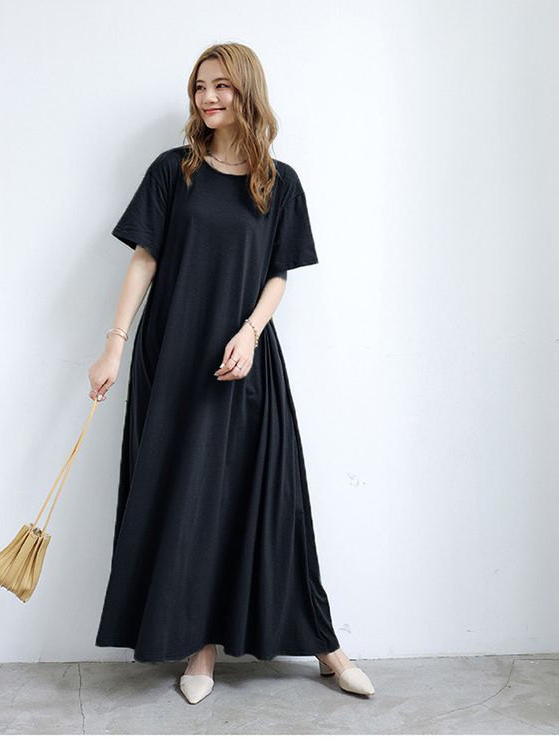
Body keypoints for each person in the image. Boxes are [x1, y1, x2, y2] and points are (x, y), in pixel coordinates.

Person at [88, 42, 375, 704]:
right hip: (173, 358)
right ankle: (200, 646)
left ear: (247, 91)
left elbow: (277, 274)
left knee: (269, 500)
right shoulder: (175, 171)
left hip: (243, 364)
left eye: (222, 85)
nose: (209, 97)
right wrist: (114, 345)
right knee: (188, 500)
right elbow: (144, 259)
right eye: (199, 87)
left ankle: (326, 646)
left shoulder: (280, 181)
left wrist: (249, 333)